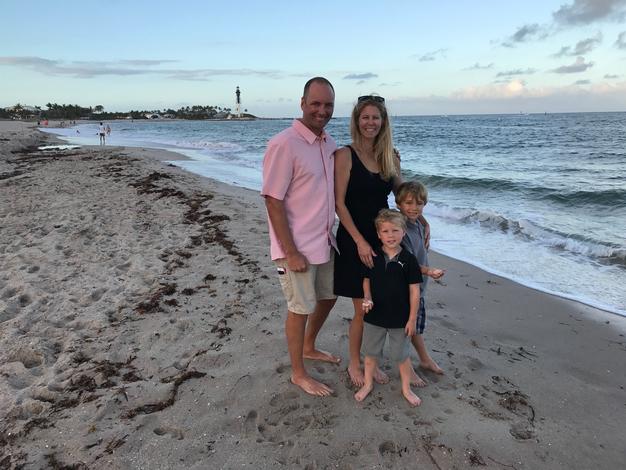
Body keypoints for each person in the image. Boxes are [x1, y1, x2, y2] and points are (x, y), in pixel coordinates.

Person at [261, 77, 340, 397]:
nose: (322, 110)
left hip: (325, 241)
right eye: (316, 103)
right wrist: (290, 251)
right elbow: (272, 199)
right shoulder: (284, 143)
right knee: (300, 308)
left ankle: (309, 346)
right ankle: (298, 373)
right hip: (296, 247)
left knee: (329, 296)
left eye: (328, 105)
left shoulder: (329, 143)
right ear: (303, 103)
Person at [334, 94, 403, 387]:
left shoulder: (390, 156)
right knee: (363, 308)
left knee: (381, 305)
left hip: (383, 239)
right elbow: (339, 204)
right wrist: (360, 242)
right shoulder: (344, 155)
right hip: (354, 240)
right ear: (357, 121)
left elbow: (401, 195)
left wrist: (420, 218)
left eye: (376, 117)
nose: (370, 122)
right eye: (365, 117)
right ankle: (355, 363)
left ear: (383, 121)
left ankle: (371, 361)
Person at [355, 209, 422, 406]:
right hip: (374, 315)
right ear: (378, 234)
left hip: (400, 318)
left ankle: (406, 388)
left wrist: (412, 319)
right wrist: (367, 297)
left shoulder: (409, 260)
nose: (390, 235)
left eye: (395, 230)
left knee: (402, 357)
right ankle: (368, 384)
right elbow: (366, 280)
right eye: (385, 231)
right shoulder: (373, 256)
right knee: (370, 355)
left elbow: (415, 292)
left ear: (404, 232)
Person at [396, 181, 446, 384]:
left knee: (414, 325)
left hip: (419, 286)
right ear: (398, 204)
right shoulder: (400, 230)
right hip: (405, 289)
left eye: (419, 203)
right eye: (408, 203)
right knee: (404, 330)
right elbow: (406, 263)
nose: (414, 208)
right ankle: (407, 369)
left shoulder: (418, 224)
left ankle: (425, 359)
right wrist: (429, 271)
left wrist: (426, 224)